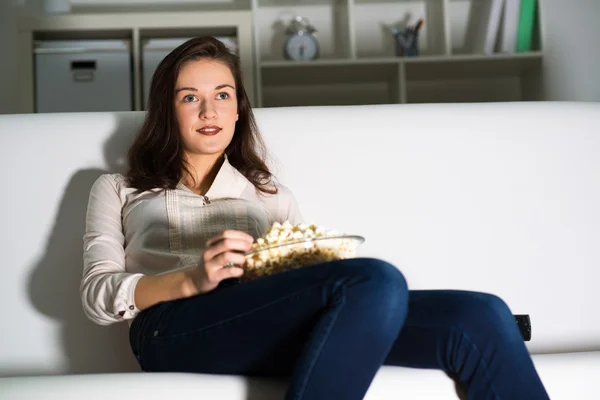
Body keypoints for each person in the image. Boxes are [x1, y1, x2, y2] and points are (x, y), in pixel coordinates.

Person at [81, 36, 550, 400]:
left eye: (223, 95)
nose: (210, 111)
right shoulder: (119, 189)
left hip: (261, 322)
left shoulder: (269, 194)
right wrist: (192, 278)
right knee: (376, 280)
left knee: (482, 314)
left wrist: (299, 266)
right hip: (169, 331)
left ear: (239, 110)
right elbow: (97, 294)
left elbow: (305, 282)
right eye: (190, 97)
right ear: (167, 109)